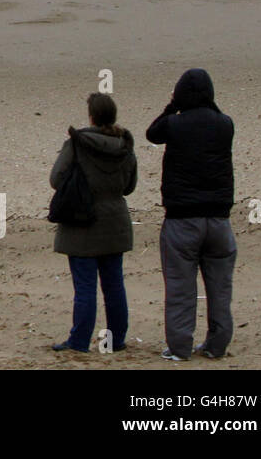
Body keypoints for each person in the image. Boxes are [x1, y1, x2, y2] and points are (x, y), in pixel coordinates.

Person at [146, 68, 236, 360]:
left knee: (181, 288)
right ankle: (217, 345)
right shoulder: (225, 124)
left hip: (182, 219)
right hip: (219, 219)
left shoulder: (175, 124)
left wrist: (173, 105)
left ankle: (180, 347)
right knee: (220, 289)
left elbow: (152, 133)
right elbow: (216, 115)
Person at [50, 92, 137, 354]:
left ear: (91, 116)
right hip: (115, 221)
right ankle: (115, 340)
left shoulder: (77, 143)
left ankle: (79, 341)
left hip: (82, 220)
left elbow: (56, 179)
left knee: (85, 287)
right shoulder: (124, 145)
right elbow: (130, 185)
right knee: (113, 285)